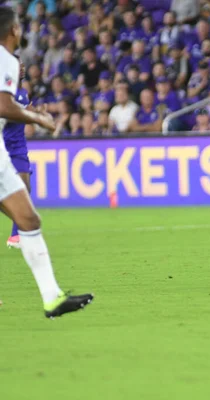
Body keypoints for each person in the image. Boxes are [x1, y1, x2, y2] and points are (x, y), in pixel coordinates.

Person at [0, 6, 93, 317]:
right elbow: (3, 106)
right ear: (12, 30)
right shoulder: (5, 59)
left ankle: (52, 298)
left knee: (28, 220)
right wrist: (37, 117)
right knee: (28, 219)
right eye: (18, 26)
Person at [4, 57, 30, 248]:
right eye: (18, 66)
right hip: (4, 148)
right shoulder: (7, 94)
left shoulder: (23, 93)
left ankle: (16, 236)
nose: (21, 69)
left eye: (22, 66)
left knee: (24, 190)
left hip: (19, 149)